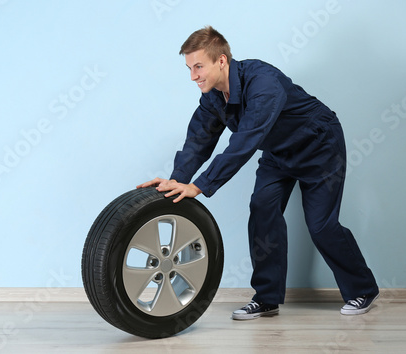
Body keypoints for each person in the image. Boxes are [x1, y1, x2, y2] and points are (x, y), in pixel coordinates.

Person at [137, 26, 379, 320]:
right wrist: (177, 180)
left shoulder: (263, 82)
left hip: (319, 146)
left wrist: (200, 186)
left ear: (221, 61)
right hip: (278, 152)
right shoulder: (214, 97)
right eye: (189, 68)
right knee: (262, 211)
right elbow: (198, 141)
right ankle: (266, 299)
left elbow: (245, 141)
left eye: (198, 66)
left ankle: (362, 289)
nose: (193, 76)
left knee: (321, 226)